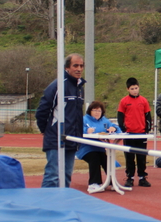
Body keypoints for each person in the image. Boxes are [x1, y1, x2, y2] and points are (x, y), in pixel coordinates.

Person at [36, 53, 86, 188]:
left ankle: (63, 205)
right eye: (75, 65)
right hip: (56, 138)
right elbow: (42, 111)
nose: (79, 69)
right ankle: (47, 205)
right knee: (53, 175)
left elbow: (76, 115)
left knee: (66, 175)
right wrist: (47, 131)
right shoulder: (58, 86)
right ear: (67, 68)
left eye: (81, 66)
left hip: (71, 139)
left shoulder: (79, 88)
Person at [117, 77, 152, 188]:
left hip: (141, 133)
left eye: (136, 88)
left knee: (141, 156)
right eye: (132, 88)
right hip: (129, 133)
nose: (134, 90)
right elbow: (120, 116)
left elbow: (148, 115)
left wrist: (147, 129)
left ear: (139, 87)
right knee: (129, 156)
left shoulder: (143, 101)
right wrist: (123, 129)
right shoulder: (124, 101)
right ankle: (130, 177)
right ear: (128, 89)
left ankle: (142, 177)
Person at [77, 101, 117, 194]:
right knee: (94, 158)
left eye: (99, 111)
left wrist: (113, 129)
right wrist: (86, 130)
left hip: (100, 148)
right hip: (85, 148)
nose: (97, 112)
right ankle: (94, 183)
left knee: (107, 160)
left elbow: (116, 127)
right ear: (90, 111)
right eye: (94, 110)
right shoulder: (84, 119)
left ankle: (112, 181)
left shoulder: (104, 120)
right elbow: (77, 130)